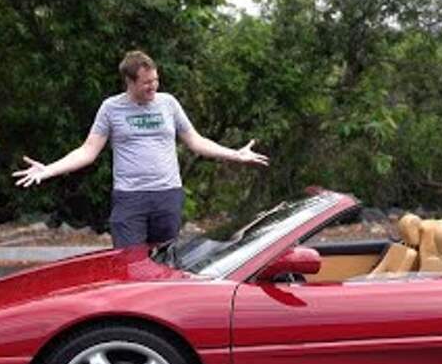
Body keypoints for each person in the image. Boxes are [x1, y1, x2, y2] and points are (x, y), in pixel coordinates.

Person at [13, 50, 268, 247]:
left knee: (165, 262)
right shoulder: (111, 108)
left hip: (167, 195)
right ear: (129, 81)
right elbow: (87, 151)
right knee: (129, 265)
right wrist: (48, 170)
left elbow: (196, 141)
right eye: (146, 83)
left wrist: (234, 154)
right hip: (130, 198)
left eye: (156, 80)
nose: (153, 87)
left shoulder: (168, 103)